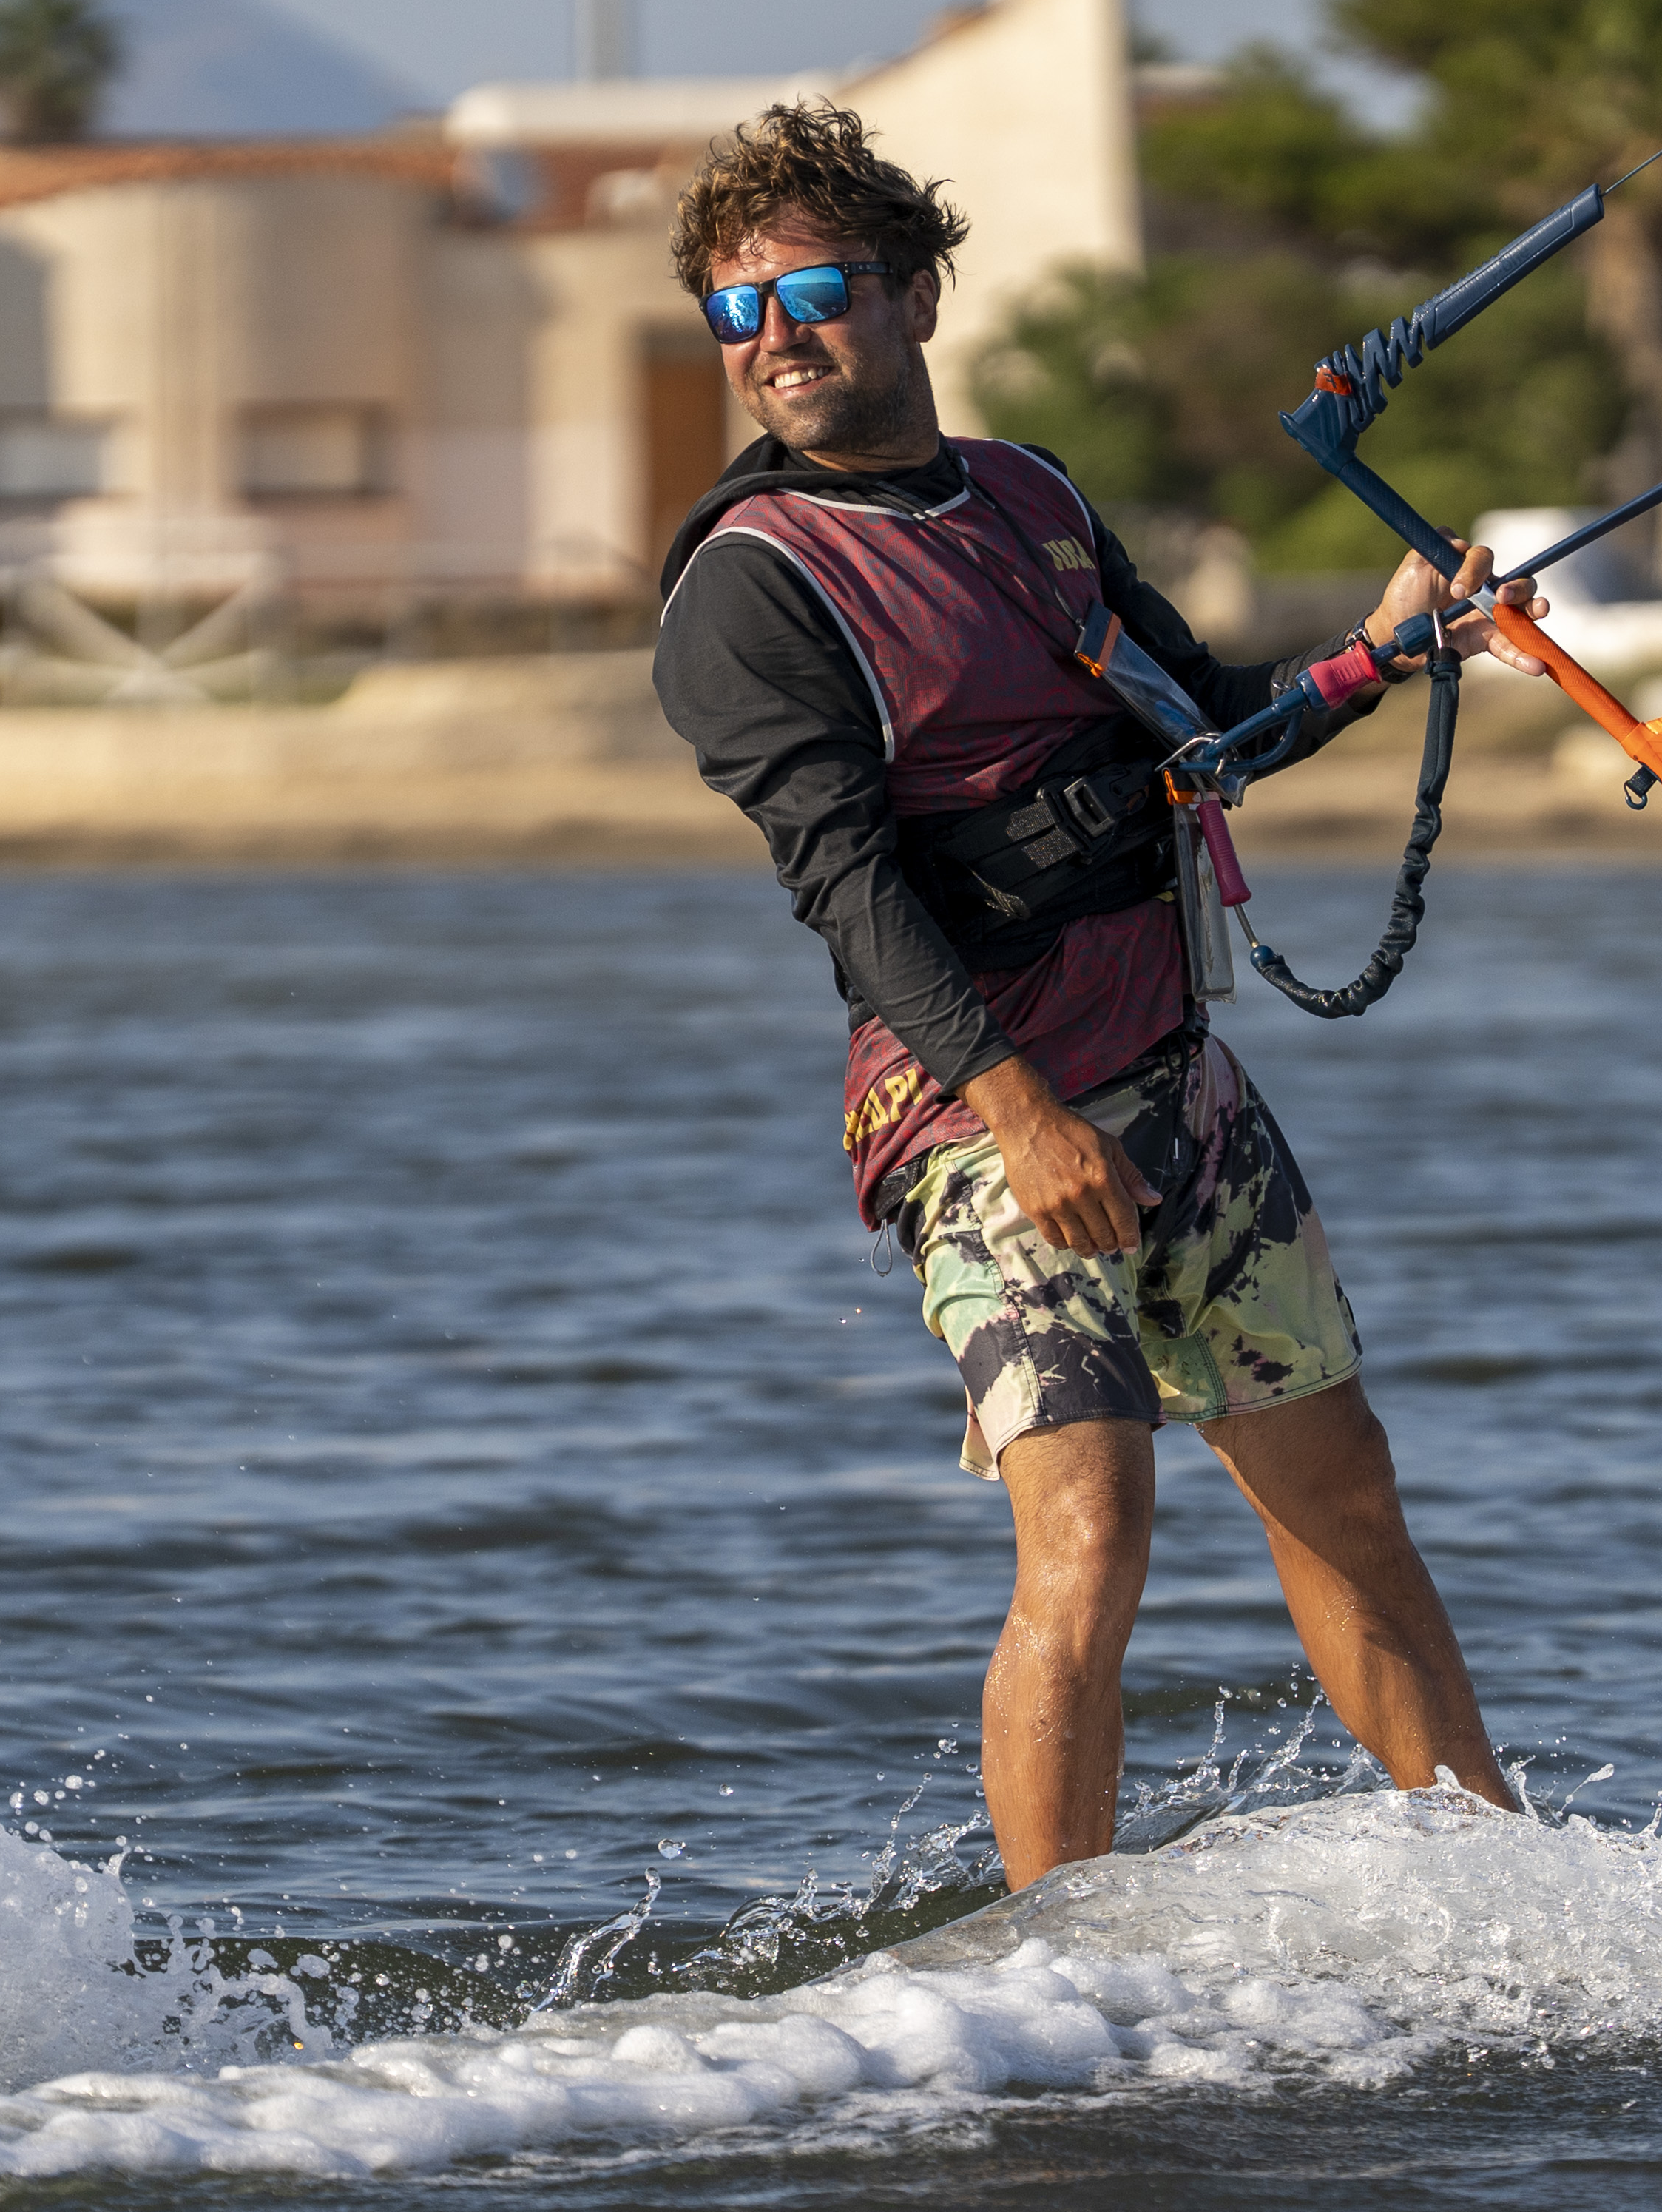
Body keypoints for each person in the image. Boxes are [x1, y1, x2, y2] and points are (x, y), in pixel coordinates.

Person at [648, 104, 1547, 1891]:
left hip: (1172, 1076)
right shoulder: (746, 592)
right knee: (1092, 1530)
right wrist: (1020, 1111)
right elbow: (849, 890)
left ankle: (1507, 1880)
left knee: (1345, 1491)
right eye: (738, 313)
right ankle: (1058, 1971)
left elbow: (1201, 719)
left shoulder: (1031, 495)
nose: (777, 337)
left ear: (912, 298)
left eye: (816, 291)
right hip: (978, 1113)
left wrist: (1383, 652)